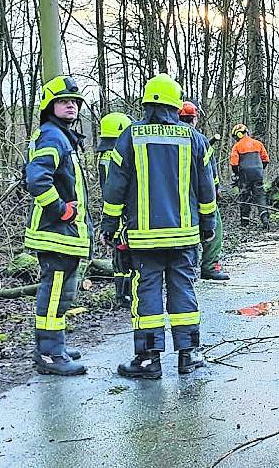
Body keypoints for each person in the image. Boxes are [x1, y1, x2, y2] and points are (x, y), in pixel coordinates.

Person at [101, 73, 217, 379]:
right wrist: (208, 225)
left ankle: (148, 359)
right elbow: (207, 190)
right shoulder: (195, 139)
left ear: (146, 103)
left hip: (144, 238)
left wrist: (109, 224)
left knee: (147, 291)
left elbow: (115, 186)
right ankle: (188, 355)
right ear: (176, 105)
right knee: (183, 291)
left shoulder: (129, 136)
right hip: (184, 235)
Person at [24, 75, 92, 376]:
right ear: (50, 106)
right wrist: (61, 209)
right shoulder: (52, 136)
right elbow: (37, 178)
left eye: (75, 102)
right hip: (55, 233)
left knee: (63, 294)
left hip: (64, 235)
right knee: (54, 294)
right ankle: (49, 353)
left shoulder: (61, 136)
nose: (71, 106)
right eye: (64, 101)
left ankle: (55, 346)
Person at [180, 102, 229, 280]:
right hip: (197, 194)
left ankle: (186, 269)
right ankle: (210, 266)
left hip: (175, 195)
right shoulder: (199, 139)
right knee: (214, 225)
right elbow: (210, 174)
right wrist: (216, 190)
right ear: (194, 119)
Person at [98, 112, 134, 307]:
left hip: (112, 210)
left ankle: (122, 294)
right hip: (121, 212)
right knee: (124, 254)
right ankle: (125, 295)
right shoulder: (117, 156)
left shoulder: (105, 155)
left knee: (119, 255)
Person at [229, 123, 271, 229]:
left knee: (244, 196)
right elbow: (266, 159)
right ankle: (265, 219)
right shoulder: (258, 144)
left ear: (238, 135)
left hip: (244, 174)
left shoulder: (237, 146)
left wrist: (236, 173)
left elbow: (234, 163)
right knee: (260, 195)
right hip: (258, 173)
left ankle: (244, 223)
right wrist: (259, 169)